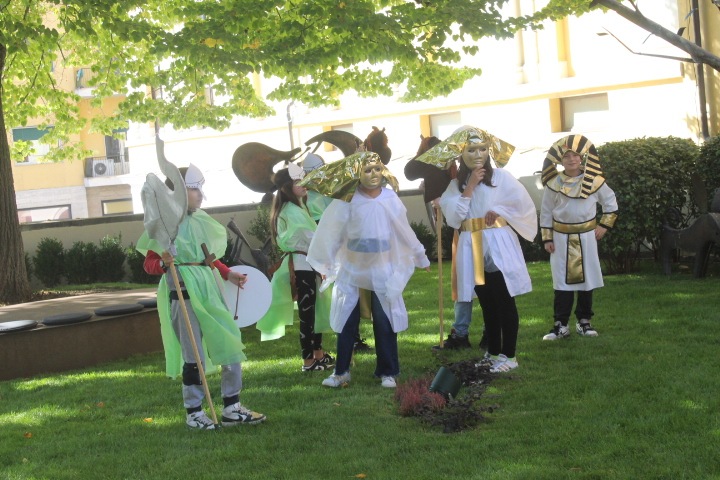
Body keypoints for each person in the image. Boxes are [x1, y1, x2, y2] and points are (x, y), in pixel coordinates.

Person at [137, 164, 266, 430]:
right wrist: (163, 263)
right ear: (179, 192)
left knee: (229, 343)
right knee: (192, 354)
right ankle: (194, 411)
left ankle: (232, 406)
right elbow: (150, 263)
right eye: (195, 189)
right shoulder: (163, 224)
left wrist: (227, 273)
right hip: (183, 295)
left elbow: (207, 258)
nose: (200, 195)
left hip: (209, 292)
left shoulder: (201, 220)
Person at [303, 152, 431, 388]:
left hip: (383, 268)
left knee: (385, 319)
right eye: (367, 170)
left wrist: (419, 255)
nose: (373, 175)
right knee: (346, 318)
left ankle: (388, 371)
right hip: (352, 269)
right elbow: (332, 232)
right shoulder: (346, 201)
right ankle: (341, 371)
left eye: (377, 169)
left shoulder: (390, 199)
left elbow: (403, 230)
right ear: (357, 174)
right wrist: (326, 263)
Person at [419, 126, 537, 373]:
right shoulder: (455, 186)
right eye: (471, 150)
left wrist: (501, 212)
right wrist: (470, 186)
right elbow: (455, 218)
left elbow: (521, 204)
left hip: (497, 245)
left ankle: (510, 356)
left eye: (482, 149)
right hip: (472, 246)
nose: (478, 154)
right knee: (487, 302)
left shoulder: (502, 178)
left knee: (505, 300)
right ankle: (493, 353)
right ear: (462, 154)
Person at [257, 162, 334, 371]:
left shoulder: (300, 207)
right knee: (307, 313)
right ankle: (308, 359)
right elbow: (309, 237)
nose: (304, 184)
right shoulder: (291, 210)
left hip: (309, 264)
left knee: (314, 310)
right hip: (301, 265)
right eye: (299, 181)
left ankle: (317, 352)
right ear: (287, 187)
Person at [539, 134, 618, 340]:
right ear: (560, 160)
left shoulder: (594, 181)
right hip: (560, 238)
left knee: (587, 281)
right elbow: (546, 211)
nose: (572, 160)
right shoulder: (553, 183)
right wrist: (547, 238)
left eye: (575, 155)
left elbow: (610, 204)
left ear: (581, 157)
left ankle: (584, 321)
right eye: (567, 156)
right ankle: (560, 324)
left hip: (586, 238)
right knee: (561, 282)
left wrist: (603, 226)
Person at [303, 152, 373, 353]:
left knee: (350, 292)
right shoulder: (311, 196)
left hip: (342, 246)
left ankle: (353, 336)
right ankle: (340, 338)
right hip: (327, 247)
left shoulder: (331, 190)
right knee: (336, 296)